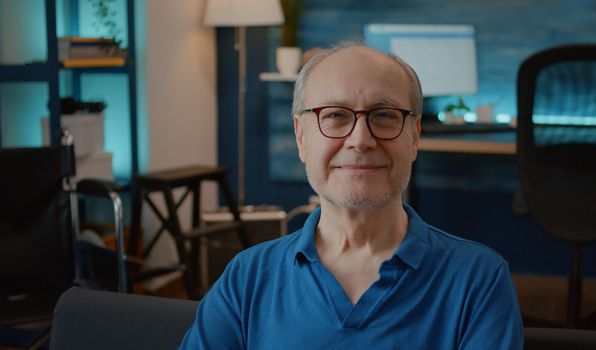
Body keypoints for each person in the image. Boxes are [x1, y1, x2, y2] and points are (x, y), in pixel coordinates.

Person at [180, 40, 523, 349]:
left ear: (414, 136)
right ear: (301, 137)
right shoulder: (247, 277)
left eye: (385, 115)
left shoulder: (478, 279)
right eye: (335, 116)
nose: (360, 140)